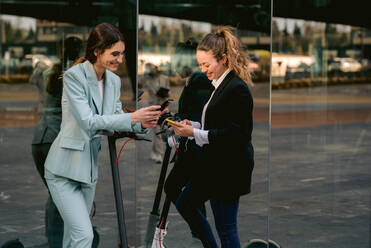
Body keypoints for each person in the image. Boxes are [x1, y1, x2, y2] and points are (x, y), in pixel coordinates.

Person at [43, 23, 163, 248]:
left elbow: (117, 117)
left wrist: (144, 122)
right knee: (83, 236)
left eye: (122, 54)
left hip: (88, 171)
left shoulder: (114, 81)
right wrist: (133, 117)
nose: (119, 59)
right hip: (63, 170)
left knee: (73, 238)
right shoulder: (74, 77)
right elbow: (88, 122)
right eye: (114, 53)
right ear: (97, 51)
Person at [171, 26, 255, 248]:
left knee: (226, 229)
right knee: (188, 205)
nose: (203, 69)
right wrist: (194, 125)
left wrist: (195, 133)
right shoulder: (220, 86)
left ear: (224, 59)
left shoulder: (237, 88)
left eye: (206, 64)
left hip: (228, 169)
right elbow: (219, 125)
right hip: (217, 167)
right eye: (200, 65)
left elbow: (238, 134)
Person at [31, 36, 83, 248]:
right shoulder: (73, 75)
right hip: (56, 139)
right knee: (60, 195)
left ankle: (57, 239)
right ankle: (57, 241)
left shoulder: (49, 71)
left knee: (56, 194)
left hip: (40, 138)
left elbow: (34, 79)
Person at [140, 62, 170, 163]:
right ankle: (159, 154)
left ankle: (155, 153)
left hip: (163, 108)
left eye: (154, 68)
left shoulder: (164, 78)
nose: (154, 70)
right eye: (151, 69)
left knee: (159, 132)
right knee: (158, 132)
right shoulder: (148, 79)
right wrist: (145, 74)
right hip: (153, 108)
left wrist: (165, 93)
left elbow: (168, 92)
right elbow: (140, 83)